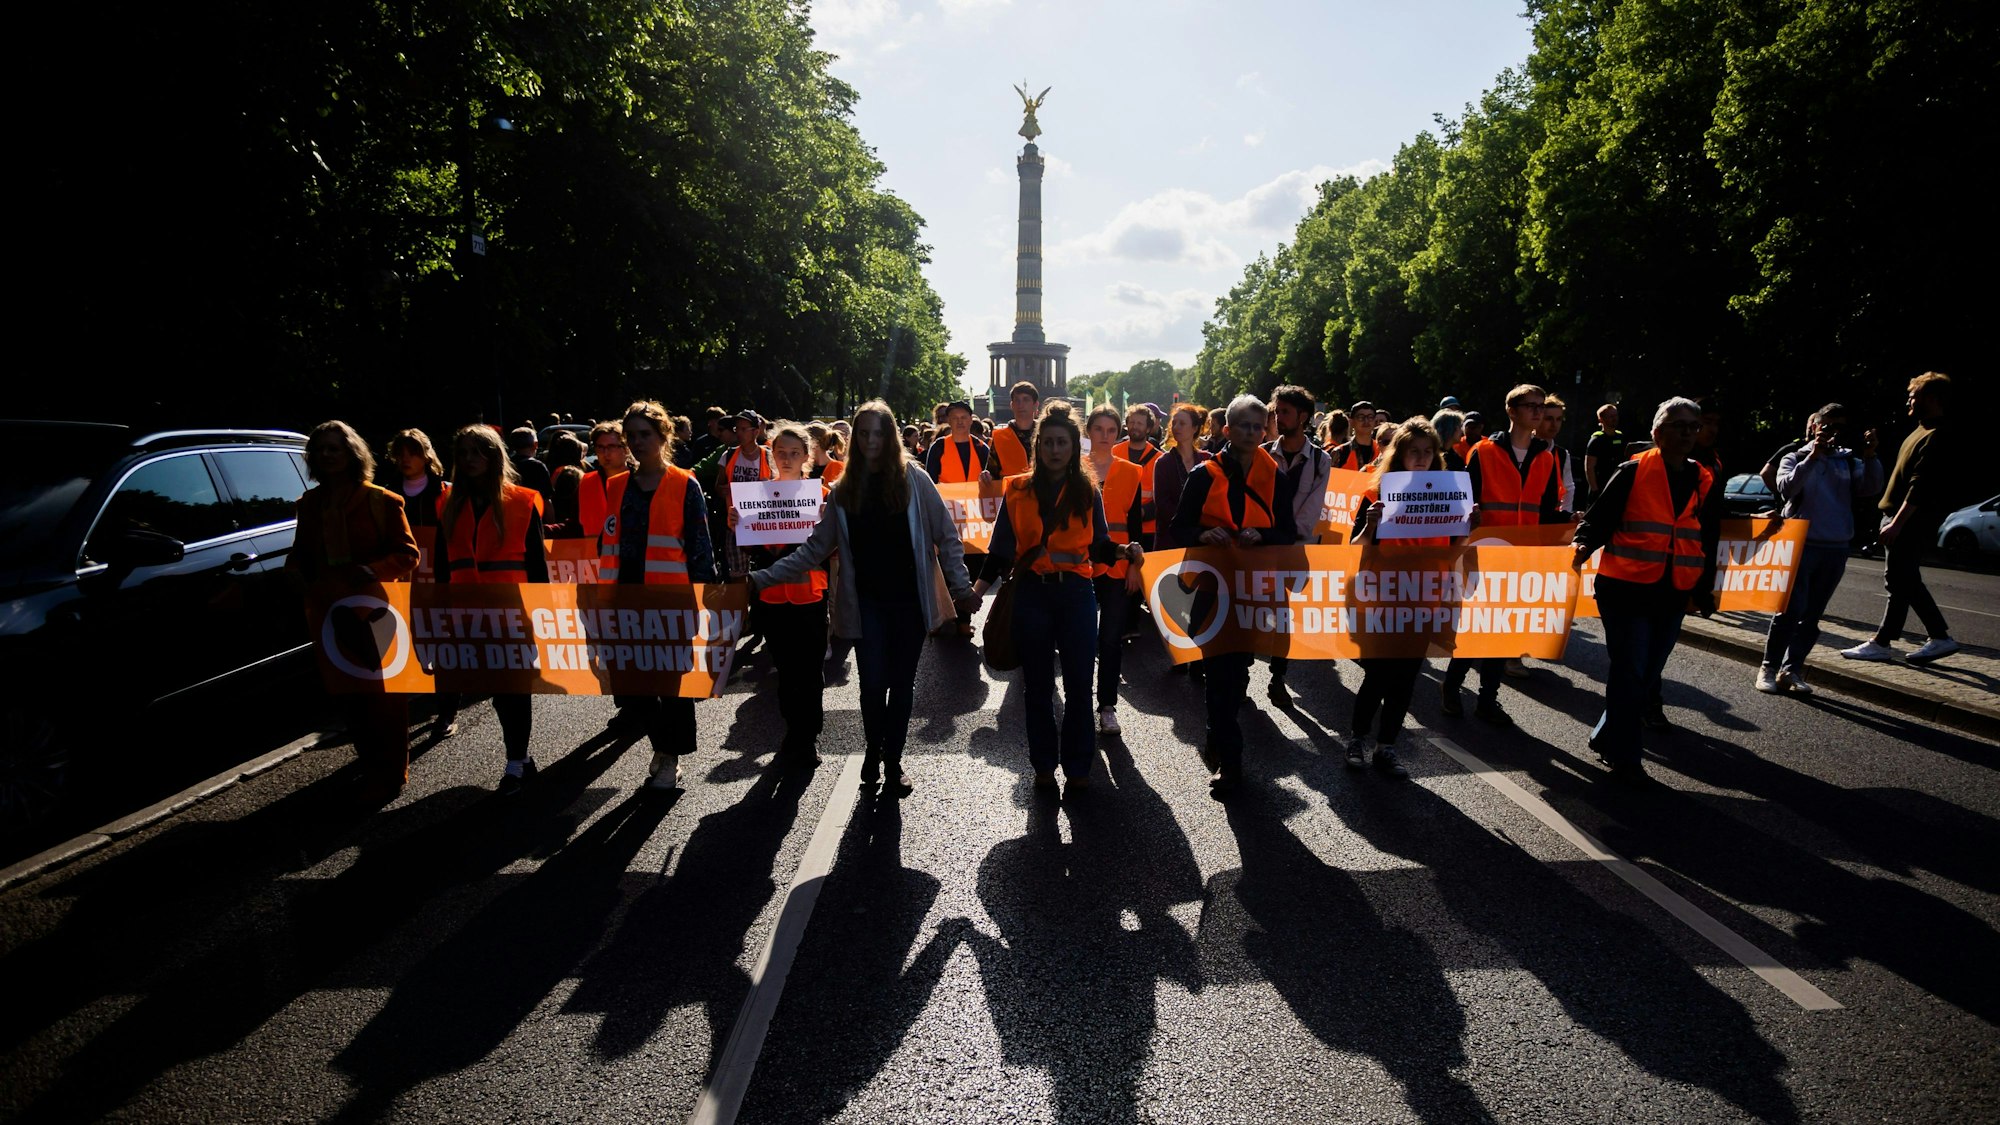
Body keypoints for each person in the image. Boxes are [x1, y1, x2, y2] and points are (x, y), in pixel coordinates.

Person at [750, 400, 977, 794]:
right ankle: (874, 749)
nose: (872, 440)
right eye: (865, 433)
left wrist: (960, 589)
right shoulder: (843, 489)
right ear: (856, 438)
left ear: (890, 436)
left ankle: (893, 761)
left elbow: (947, 536)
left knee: (902, 686)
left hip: (909, 604)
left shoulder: (915, 479)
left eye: (880, 433)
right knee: (872, 685)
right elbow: (812, 551)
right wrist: (761, 578)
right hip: (867, 604)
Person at [975, 403, 1141, 791]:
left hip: (1077, 596)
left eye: (1061, 442)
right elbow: (1000, 550)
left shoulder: (1087, 489)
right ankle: (1044, 768)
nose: (1054, 449)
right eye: (1047, 442)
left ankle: (1079, 770)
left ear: (1072, 447)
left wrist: (1122, 552)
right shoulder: (1016, 489)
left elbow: (1100, 545)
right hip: (1032, 594)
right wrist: (973, 594)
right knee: (1036, 686)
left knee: (1080, 685)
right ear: (1038, 446)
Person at [1574, 398, 1723, 785]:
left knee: (1646, 673)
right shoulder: (1632, 470)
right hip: (1624, 588)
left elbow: (1707, 535)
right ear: (1657, 434)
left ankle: (1609, 735)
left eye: (1693, 425)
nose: (1688, 432)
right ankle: (1625, 755)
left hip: (1672, 591)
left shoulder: (1703, 477)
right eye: (1679, 425)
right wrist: (1583, 545)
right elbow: (1598, 519)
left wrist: (1704, 589)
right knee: (1630, 669)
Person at [1171, 395, 1299, 795]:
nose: (1250, 432)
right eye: (1242, 425)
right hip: (1213, 591)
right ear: (1225, 430)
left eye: (1257, 426)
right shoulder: (1204, 474)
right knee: (1221, 678)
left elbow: (1288, 533)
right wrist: (1201, 534)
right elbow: (1177, 528)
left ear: (1266, 431)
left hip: (1254, 592)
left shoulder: (1275, 475)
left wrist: (1262, 535)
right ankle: (1231, 761)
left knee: (1237, 673)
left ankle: (1217, 738)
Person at [292, 421, 422, 803]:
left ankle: (391, 772)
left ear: (352, 453)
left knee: (385, 697)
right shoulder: (309, 504)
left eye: (335, 448)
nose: (328, 455)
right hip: (330, 612)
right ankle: (370, 766)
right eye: (321, 449)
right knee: (349, 694)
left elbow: (408, 555)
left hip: (377, 609)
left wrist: (375, 570)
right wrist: (294, 574)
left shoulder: (382, 500)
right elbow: (299, 554)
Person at [597, 400, 721, 787]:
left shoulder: (685, 483)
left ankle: (670, 756)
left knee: (670, 683)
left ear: (664, 436)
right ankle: (661, 744)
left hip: (670, 601)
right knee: (636, 686)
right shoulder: (616, 485)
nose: (636, 443)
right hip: (625, 600)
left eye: (644, 435)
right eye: (630, 436)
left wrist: (711, 599)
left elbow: (701, 544)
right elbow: (608, 541)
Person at [438, 424, 550, 794]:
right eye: (464, 453)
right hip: (468, 612)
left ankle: (516, 760)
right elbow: (442, 564)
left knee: (511, 688)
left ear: (494, 455)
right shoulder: (448, 503)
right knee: (496, 689)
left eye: (478, 452)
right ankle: (520, 758)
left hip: (512, 611)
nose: (470, 460)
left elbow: (537, 564)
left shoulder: (520, 500)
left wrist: (541, 614)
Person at [1441, 384, 1561, 725]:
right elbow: (1466, 502)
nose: (1538, 412)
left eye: (1541, 406)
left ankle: (1488, 700)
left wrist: (1569, 526)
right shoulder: (1484, 451)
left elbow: (1547, 509)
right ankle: (1452, 686)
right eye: (1531, 406)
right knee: (1476, 629)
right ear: (1512, 411)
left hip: (1521, 558)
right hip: (1484, 553)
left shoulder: (1546, 456)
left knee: (1503, 630)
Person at [1346, 417, 1457, 780]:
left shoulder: (1447, 497)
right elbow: (1353, 549)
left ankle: (1386, 746)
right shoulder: (1375, 496)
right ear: (1400, 456)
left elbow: (1455, 553)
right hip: (1383, 600)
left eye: (1428, 453)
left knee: (1405, 679)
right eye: (1414, 453)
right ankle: (1358, 739)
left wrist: (1467, 528)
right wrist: (1371, 526)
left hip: (1423, 600)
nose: (1422, 459)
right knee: (1378, 675)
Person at [1758, 403, 1882, 693]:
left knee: (1812, 615)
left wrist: (1871, 455)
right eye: (1826, 426)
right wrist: (1813, 456)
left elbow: (1871, 488)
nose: (1832, 433)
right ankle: (1769, 667)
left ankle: (1792, 670)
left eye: (1839, 427)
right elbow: (1787, 488)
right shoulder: (1795, 456)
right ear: (1814, 427)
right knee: (1789, 611)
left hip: (1836, 546)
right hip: (1800, 541)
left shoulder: (1849, 461)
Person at [1841, 372, 1962, 665]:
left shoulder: (1937, 435)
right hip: (1898, 518)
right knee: (1901, 580)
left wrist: (1897, 522)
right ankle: (1894, 641)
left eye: (1914, 395)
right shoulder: (1920, 431)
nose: (1908, 399)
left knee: (1901, 579)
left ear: (1931, 399)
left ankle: (1930, 637)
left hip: (1908, 521)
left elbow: (1921, 486)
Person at [742, 421, 831, 767]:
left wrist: (827, 521)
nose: (788, 458)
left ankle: (806, 738)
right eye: (781, 453)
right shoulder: (757, 496)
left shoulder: (821, 496)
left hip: (809, 594)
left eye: (795, 453)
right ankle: (793, 730)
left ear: (807, 456)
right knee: (785, 671)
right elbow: (753, 549)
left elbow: (831, 550)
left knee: (809, 671)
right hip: (772, 597)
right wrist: (739, 522)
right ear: (772, 455)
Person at [1077, 406, 1147, 732]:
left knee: (1110, 640)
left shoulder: (1133, 471)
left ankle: (1107, 706)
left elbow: (1136, 528)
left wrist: (1135, 567)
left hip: (1119, 567)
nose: (1105, 436)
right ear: (1088, 432)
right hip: (1080, 564)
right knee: (1080, 640)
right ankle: (1078, 702)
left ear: (1117, 433)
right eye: (1098, 429)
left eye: (1110, 430)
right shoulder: (1073, 468)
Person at [1262, 385, 1331, 706]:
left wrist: (1285, 537)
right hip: (1260, 548)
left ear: (1303, 417)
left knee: (1285, 615)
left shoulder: (1320, 460)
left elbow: (1312, 510)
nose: (1278, 418)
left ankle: (1278, 676)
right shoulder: (1262, 453)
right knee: (1253, 608)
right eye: (1276, 412)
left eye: (1285, 412)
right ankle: (1245, 670)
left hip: (1295, 550)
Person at [1153, 403, 1213, 550]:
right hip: (1170, 540)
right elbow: (1162, 504)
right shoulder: (1163, 462)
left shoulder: (1208, 460)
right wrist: (1188, 524)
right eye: (1174, 423)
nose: (1176, 427)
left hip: (1203, 539)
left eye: (1182, 423)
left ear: (1194, 428)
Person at [1113, 403, 1163, 543]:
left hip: (1147, 530)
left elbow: (1162, 497)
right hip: (1117, 526)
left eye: (1140, 423)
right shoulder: (1114, 452)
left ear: (1148, 428)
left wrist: (1143, 512)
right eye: (1132, 422)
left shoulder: (1159, 459)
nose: (1135, 426)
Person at [578, 421, 627, 551]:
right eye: (600, 447)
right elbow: (576, 524)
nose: (606, 453)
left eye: (611, 447)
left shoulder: (640, 481)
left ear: (626, 448)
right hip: (595, 562)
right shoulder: (586, 482)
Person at [924, 400, 998, 484]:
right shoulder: (938, 447)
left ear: (970, 420)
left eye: (963, 417)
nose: (960, 421)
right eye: (955, 418)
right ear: (949, 421)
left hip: (976, 496)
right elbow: (929, 484)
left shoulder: (981, 448)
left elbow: (994, 481)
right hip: (945, 497)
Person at [543, 432, 589, 537]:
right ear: (575, 453)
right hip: (568, 526)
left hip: (558, 523)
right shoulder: (571, 474)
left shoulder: (551, 469)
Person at [990, 381, 1041, 477]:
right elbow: (992, 474)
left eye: (1026, 400)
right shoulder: (999, 437)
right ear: (1011, 405)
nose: (1020, 405)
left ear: (1035, 405)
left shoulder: (1046, 435)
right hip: (1010, 491)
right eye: (1017, 400)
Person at [1538, 394, 1577, 518]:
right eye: (1549, 419)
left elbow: (1569, 489)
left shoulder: (1562, 454)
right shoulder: (1524, 448)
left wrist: (1565, 517)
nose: (1554, 424)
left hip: (1551, 523)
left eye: (1559, 419)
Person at [1583, 404, 1625, 506]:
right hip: (1601, 487)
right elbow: (1589, 467)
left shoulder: (1620, 437)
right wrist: (1595, 490)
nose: (1614, 418)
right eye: (1610, 416)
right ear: (1601, 420)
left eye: (1615, 415)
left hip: (1617, 487)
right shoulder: (1597, 440)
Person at [506, 426, 553, 506]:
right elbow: (546, 499)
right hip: (532, 511)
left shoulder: (507, 464)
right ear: (535, 444)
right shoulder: (538, 467)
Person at [1328, 400, 1378, 469]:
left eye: (1370, 417)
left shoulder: (1382, 451)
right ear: (1351, 421)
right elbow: (1332, 478)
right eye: (1361, 417)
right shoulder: (1340, 452)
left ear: (1375, 421)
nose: (1366, 421)